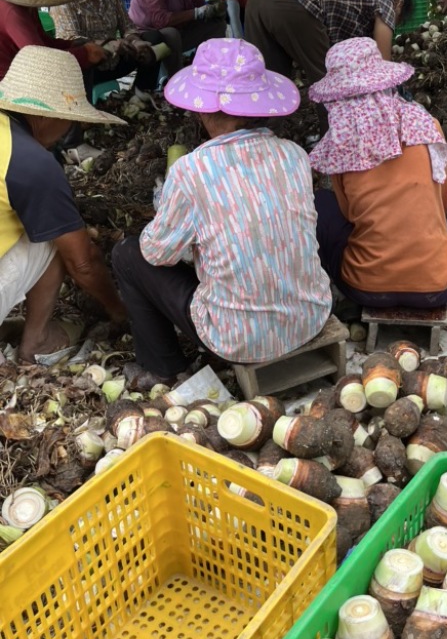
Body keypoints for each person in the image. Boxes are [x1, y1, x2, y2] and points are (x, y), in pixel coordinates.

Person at [112, 39, 332, 384]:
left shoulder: (191, 170)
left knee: (128, 254)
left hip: (237, 338)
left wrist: (170, 212)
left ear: (201, 108)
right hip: (309, 317)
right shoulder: (293, 155)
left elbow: (157, 252)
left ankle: (163, 367)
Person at [312, 38, 447, 309]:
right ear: (385, 81)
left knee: (319, 201)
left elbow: (348, 214)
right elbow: (444, 205)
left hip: (364, 288)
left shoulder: (339, 143)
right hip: (439, 286)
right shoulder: (426, 126)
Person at [0, 46, 127, 363]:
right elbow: (83, 264)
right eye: (68, 121)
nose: (68, 131)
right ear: (45, 115)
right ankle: (37, 342)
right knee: (55, 238)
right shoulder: (33, 164)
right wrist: (118, 310)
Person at [244, 0, 411, 92]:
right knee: (328, 85)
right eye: (397, 22)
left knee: (270, 82)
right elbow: (382, 68)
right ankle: (336, 135)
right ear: (399, 4)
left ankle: (264, 134)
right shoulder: (386, 0)